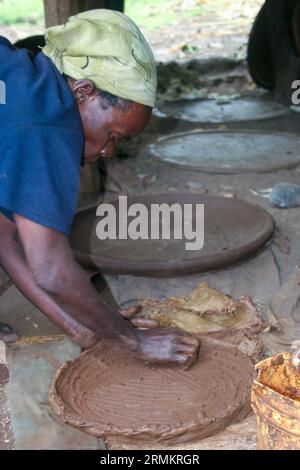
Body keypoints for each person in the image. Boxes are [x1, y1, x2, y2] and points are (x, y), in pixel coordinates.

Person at [0, 9, 200, 368]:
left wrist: (81, 327)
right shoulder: (44, 123)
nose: (107, 151)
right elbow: (50, 269)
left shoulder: (25, 85)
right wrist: (133, 339)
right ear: (83, 91)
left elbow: (3, 238)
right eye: (112, 135)